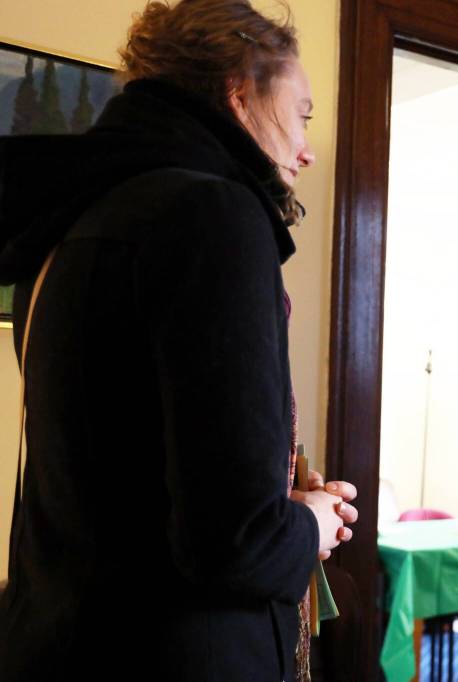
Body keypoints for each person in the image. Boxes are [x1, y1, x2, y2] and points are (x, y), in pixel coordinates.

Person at [0, 1, 357, 680]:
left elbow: (118, 474)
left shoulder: (72, 222)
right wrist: (310, 522)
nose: (308, 148)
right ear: (241, 91)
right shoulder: (212, 215)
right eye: (303, 112)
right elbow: (236, 545)